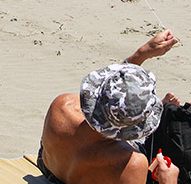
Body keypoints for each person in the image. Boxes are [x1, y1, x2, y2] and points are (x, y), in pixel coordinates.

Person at [38, 30, 181, 184]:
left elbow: (114, 92)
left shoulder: (62, 106)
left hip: (52, 172)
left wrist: (142, 53)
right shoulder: (132, 164)